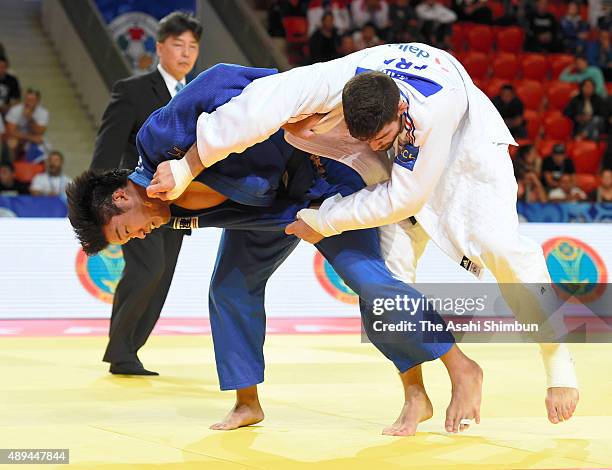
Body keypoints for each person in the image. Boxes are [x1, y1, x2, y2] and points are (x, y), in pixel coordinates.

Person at [155, 43, 580, 425]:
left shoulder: (429, 114)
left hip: (464, 147)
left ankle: (558, 362)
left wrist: (324, 219)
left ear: (398, 113)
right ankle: (416, 394)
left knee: (500, 247)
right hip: (392, 164)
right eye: (368, 140)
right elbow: (256, 106)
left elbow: (404, 200)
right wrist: (188, 165)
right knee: (385, 290)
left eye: (380, 138)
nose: (376, 146)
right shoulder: (330, 81)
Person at [67, 63, 482, 436]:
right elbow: (241, 204)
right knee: (229, 289)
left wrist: (280, 97)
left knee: (368, 280)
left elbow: (222, 77)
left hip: (326, 179)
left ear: (122, 197)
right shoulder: (168, 211)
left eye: (126, 231)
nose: (139, 236)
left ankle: (452, 367)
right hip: (270, 213)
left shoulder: (158, 139)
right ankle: (247, 403)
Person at [89, 11, 202, 376]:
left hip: (182, 202)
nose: (185, 54)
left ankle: (130, 351)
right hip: (136, 201)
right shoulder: (133, 90)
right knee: (148, 268)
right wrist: (103, 203)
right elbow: (106, 151)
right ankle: (120, 353)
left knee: (163, 274)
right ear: (159, 47)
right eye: (177, 45)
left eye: (192, 47)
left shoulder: (200, 92)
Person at [4, 88, 48, 163]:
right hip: (19, 137)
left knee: (42, 144)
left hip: (31, 137)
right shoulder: (15, 110)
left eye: (32, 100)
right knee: (12, 143)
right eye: (27, 99)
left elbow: (40, 131)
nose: (28, 102)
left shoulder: (43, 112)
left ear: (37, 101)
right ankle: (11, 166)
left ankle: (30, 167)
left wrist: (30, 118)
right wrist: (30, 137)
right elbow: (10, 131)